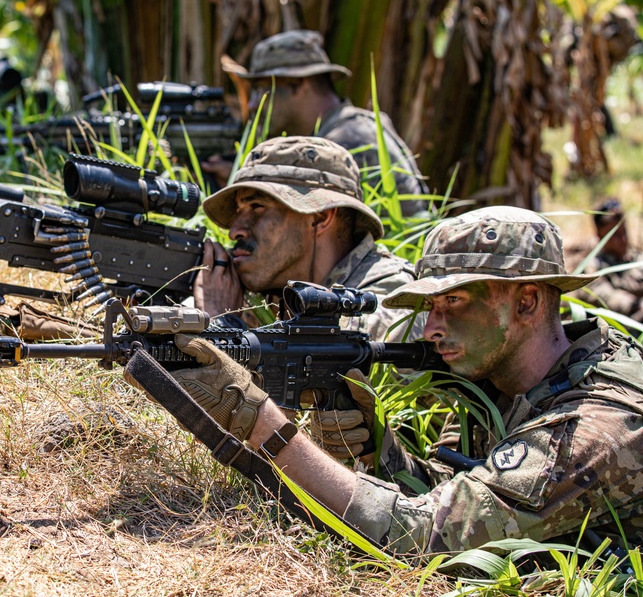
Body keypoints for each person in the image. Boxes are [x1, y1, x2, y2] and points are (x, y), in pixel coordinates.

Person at [164, 206, 643, 555]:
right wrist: (378, 449)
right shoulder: (498, 383)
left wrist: (261, 422)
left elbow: (427, 537)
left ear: (526, 302)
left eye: (453, 302)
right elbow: (450, 490)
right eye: (429, 308)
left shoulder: (596, 425)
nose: (431, 328)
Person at [194, 135, 421, 344]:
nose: (234, 231)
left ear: (320, 217)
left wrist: (219, 323)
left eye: (257, 207)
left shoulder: (390, 299)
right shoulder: (253, 290)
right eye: (238, 210)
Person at [214, 29, 429, 216]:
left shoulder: (347, 140)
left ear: (296, 84)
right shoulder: (345, 129)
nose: (252, 105)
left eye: (262, 90)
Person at [575, 197, 643, 325]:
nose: (623, 239)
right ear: (600, 235)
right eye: (616, 235)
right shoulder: (592, 267)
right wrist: (638, 305)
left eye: (624, 232)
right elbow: (606, 298)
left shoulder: (637, 259)